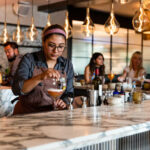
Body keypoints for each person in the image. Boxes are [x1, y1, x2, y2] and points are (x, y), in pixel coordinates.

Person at [12, 24, 74, 115]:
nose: (55, 51)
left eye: (60, 46)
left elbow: (69, 93)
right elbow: (17, 89)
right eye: (51, 45)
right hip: (26, 116)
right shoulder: (29, 59)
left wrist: (64, 102)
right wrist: (40, 77)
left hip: (52, 116)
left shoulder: (66, 64)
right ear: (43, 42)